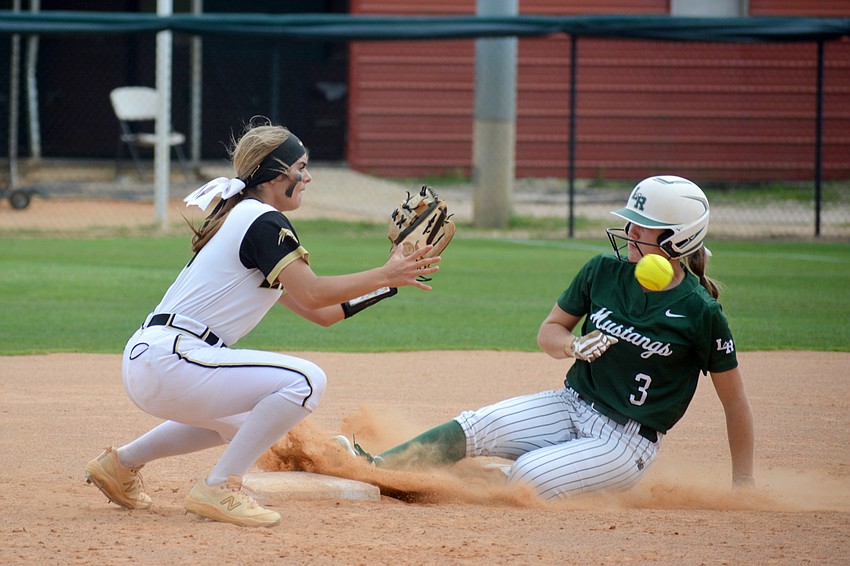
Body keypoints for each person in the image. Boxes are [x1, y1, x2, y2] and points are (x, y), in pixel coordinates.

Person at [85, 117, 441, 527]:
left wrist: (391, 280)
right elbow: (312, 292)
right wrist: (384, 273)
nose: (306, 178)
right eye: (300, 168)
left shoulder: (243, 216)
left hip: (157, 361)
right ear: (275, 174)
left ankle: (121, 464)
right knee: (307, 381)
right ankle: (219, 488)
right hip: (175, 359)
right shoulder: (262, 221)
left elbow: (321, 313)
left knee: (247, 424)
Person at [338, 175, 754, 500]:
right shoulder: (603, 272)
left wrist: (743, 485)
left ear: (677, 238)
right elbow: (549, 332)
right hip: (570, 403)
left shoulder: (701, 311)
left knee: (529, 477)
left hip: (626, 442)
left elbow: (734, 401)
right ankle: (375, 466)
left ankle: (442, 488)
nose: (629, 230)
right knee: (475, 426)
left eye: (642, 227)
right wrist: (572, 346)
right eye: (631, 221)